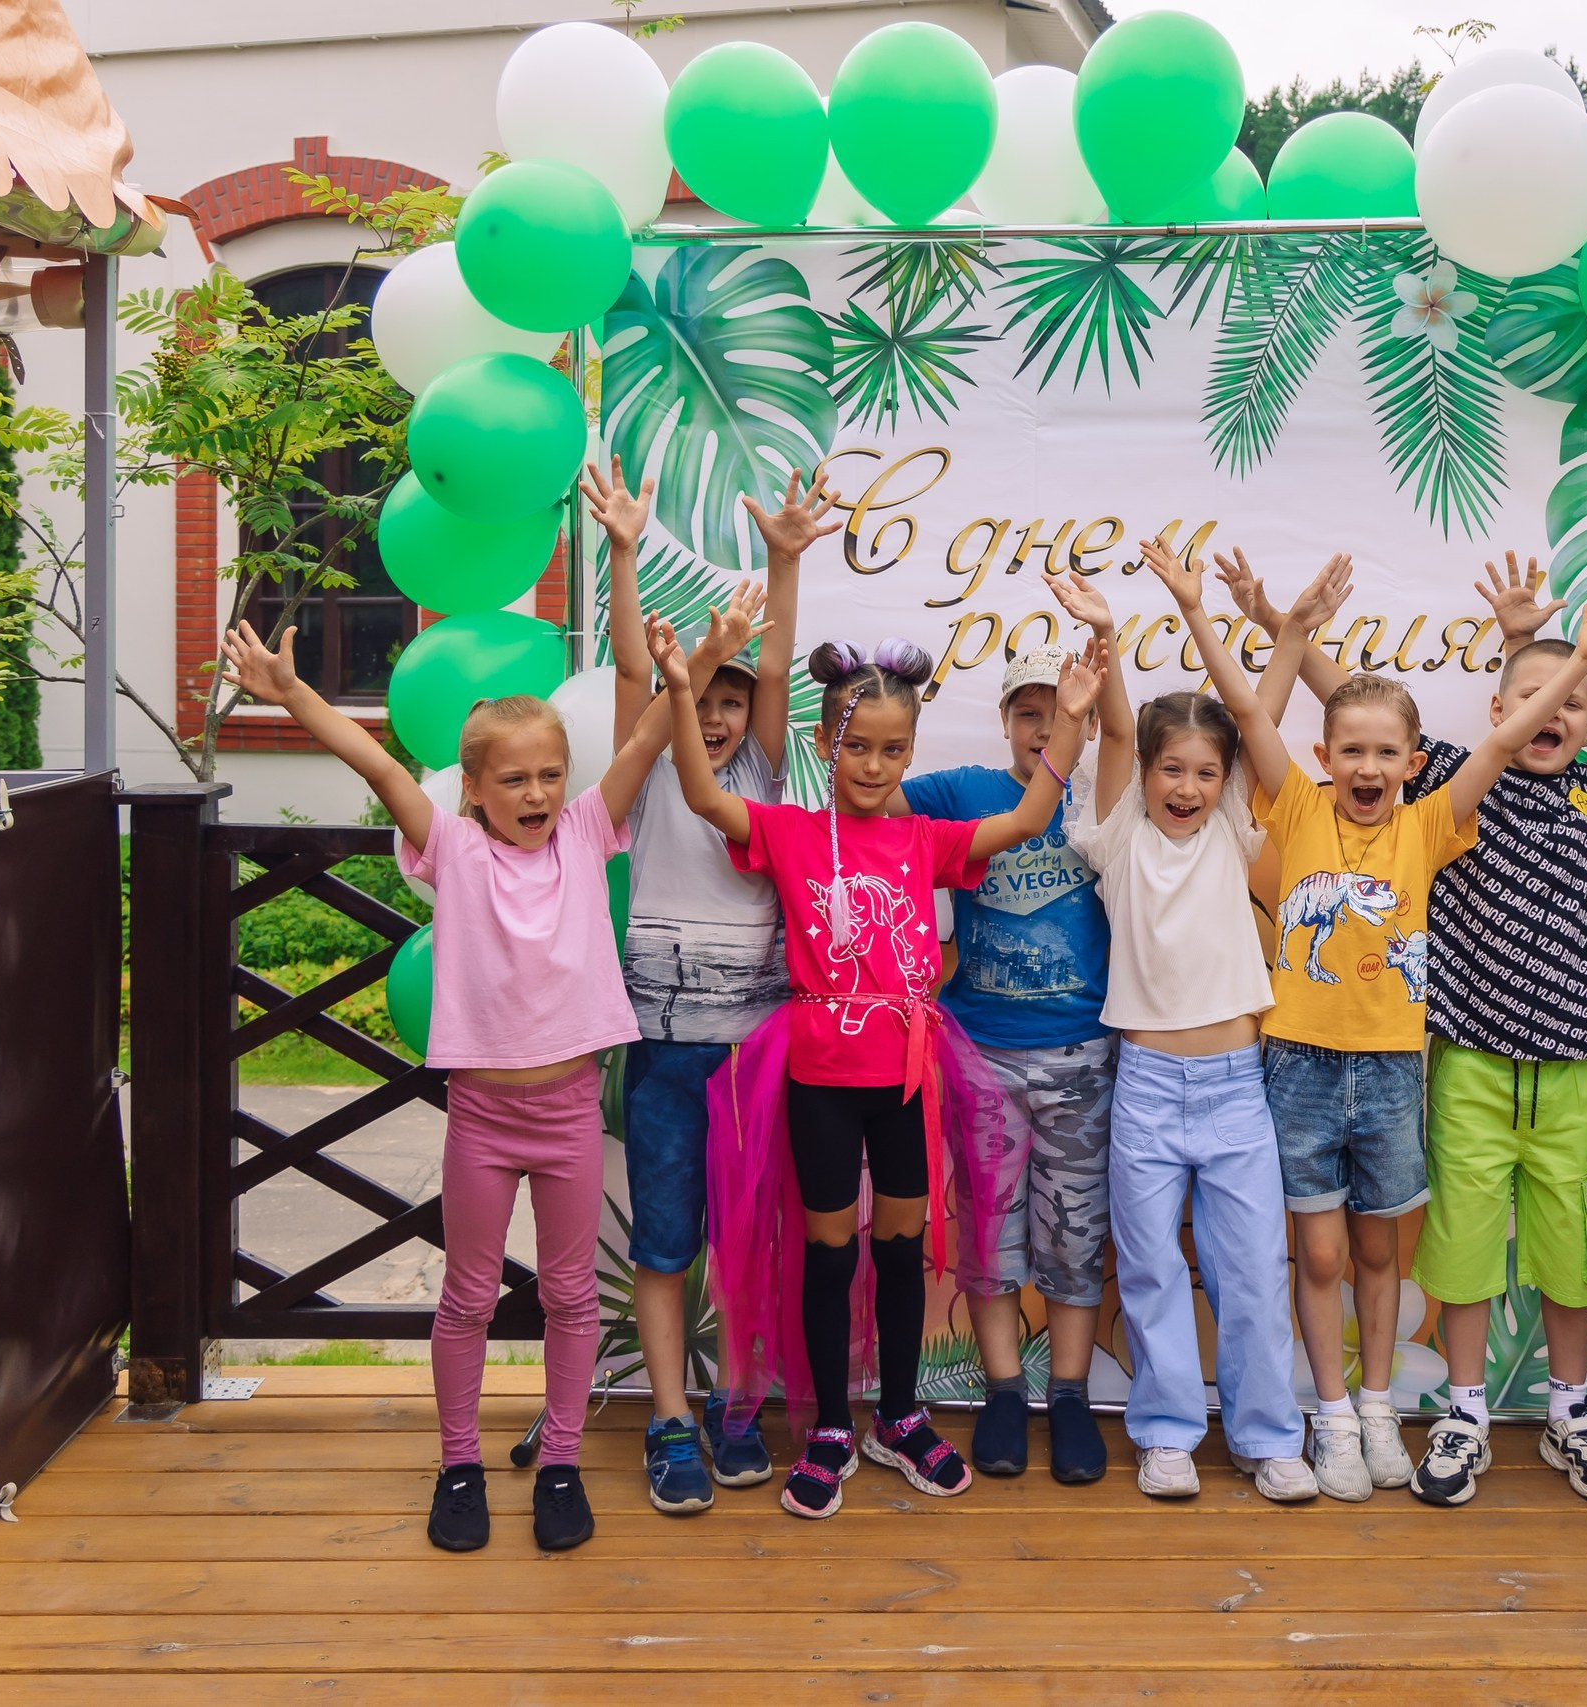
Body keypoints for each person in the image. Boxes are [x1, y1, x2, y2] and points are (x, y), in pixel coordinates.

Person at [1222, 552, 1587, 1509]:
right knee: (1457, 1237)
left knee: (1570, 1242)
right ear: (1497, 715)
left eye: (1572, 705)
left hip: (1573, 1060)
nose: (1554, 716)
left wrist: (1555, 658)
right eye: (1530, 701)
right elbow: (1359, 717)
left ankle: (1574, 1410)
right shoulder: (1445, 779)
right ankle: (1462, 1409)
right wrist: (1538, 652)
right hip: (1461, 1056)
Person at [218, 605, 693, 1556]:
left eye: (550, 774)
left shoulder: (589, 833)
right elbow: (378, 763)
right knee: (469, 1296)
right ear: (472, 790)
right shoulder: (456, 850)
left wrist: (697, 669)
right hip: (482, 1114)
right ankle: (459, 1464)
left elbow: (645, 741)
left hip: (565, 1115)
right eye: (512, 778)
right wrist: (293, 691)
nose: (536, 792)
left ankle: (560, 1460)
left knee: (567, 1296)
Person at [659, 622, 1105, 1520]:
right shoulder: (787, 831)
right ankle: (830, 1424)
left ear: (912, 749)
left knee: (902, 1250)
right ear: (827, 743)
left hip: (908, 1072)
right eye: (856, 747)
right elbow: (706, 795)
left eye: (893, 749)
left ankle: (899, 1415)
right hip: (821, 1074)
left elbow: (1022, 820)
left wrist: (1073, 724)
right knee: (830, 1251)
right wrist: (681, 687)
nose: (873, 765)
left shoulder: (921, 837)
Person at [583, 455, 841, 1515]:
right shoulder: (645, 772)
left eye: (736, 700)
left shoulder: (759, 780)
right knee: (665, 1237)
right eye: (708, 695)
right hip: (659, 1041)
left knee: (745, 1234)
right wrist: (623, 550)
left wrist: (783, 566)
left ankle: (738, 1403)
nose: (724, 714)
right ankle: (670, 1420)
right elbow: (640, 682)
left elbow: (776, 670)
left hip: (757, 1048)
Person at [1052, 547, 1322, 1504]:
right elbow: (1117, 732)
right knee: (1155, 1270)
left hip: (1238, 1088)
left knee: (1252, 1273)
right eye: (1173, 769)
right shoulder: (1118, 833)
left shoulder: (1238, 829)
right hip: (1149, 1089)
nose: (1188, 786)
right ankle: (1168, 1431)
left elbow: (1258, 717)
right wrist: (1106, 638)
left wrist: (1272, 630)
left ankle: (1265, 1434)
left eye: (1206, 773)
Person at [896, 644, 1118, 1486]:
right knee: (989, 1232)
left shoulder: (1105, 798)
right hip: (981, 1061)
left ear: (1088, 725)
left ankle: (1065, 1392)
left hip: (1083, 1059)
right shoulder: (963, 794)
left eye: (1063, 713)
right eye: (1029, 712)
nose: (1044, 726)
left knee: (1073, 1233)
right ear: (1003, 722)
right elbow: (866, 804)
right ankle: (1000, 1390)